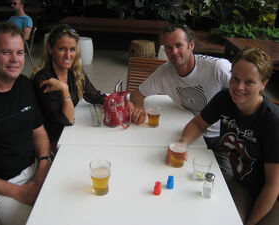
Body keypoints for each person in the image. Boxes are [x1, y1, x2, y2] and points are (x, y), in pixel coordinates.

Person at [173, 47, 279, 225]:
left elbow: (272, 186)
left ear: (264, 84)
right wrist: (183, 144)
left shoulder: (273, 122)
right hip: (242, 183)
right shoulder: (225, 99)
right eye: (235, 79)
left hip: (273, 196)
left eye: (249, 82)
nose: (239, 87)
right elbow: (197, 124)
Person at [130, 23, 232, 175]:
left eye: (179, 45)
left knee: (225, 180)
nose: (174, 52)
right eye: (168, 48)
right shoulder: (165, 72)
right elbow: (137, 94)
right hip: (190, 132)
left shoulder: (217, 68)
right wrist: (139, 107)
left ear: (191, 45)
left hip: (220, 137)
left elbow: (245, 94)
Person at [0, 22, 51, 225]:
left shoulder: (23, 84)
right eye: (6, 52)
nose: (15, 60)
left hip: (33, 169)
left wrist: (44, 162)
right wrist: (19, 192)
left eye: (19, 52)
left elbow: (39, 132)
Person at [31, 24, 106, 149]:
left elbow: (95, 97)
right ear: (50, 49)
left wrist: (120, 103)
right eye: (62, 49)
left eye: (72, 49)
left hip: (70, 133)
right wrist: (64, 90)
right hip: (52, 141)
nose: (68, 55)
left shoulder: (75, 72)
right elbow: (66, 120)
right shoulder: (43, 79)